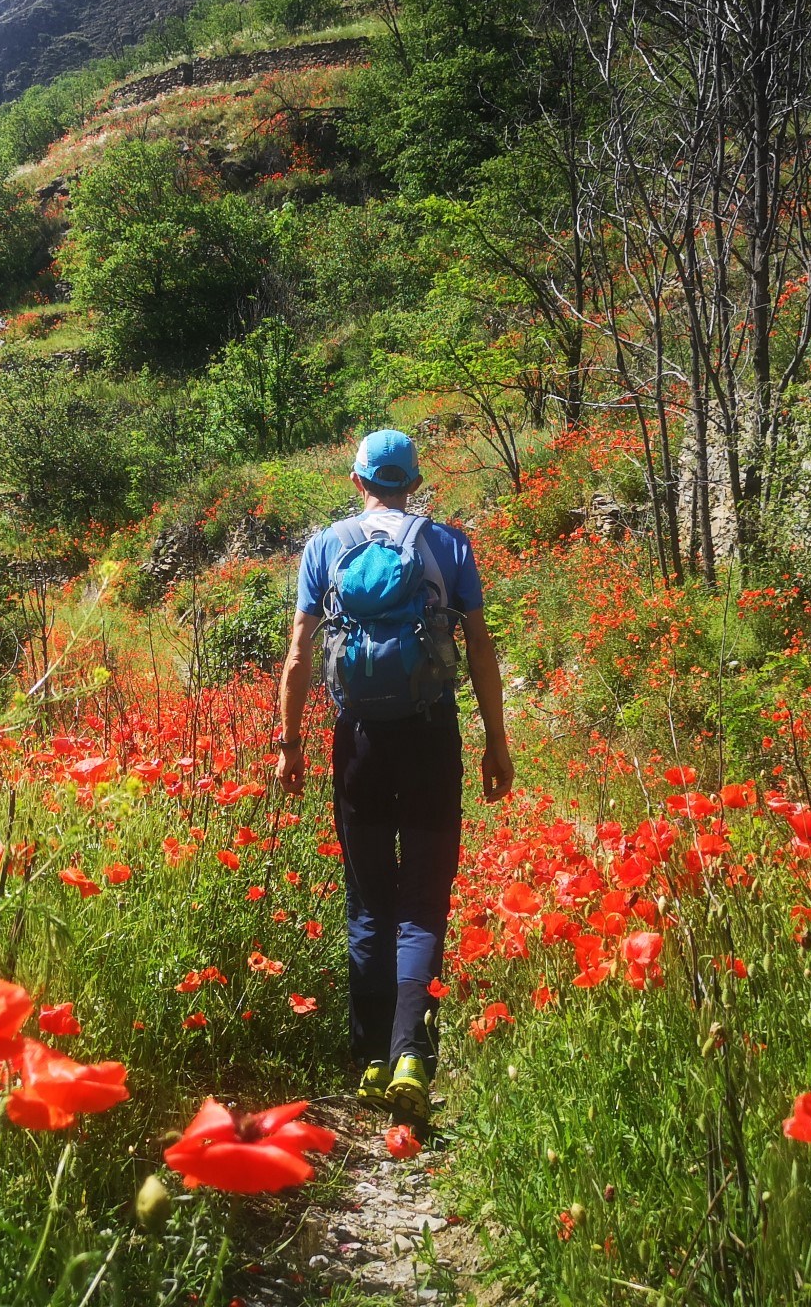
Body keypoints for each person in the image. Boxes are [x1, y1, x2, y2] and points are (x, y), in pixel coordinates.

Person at [274, 428, 513, 1126]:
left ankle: (371, 1058)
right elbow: (480, 648)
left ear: (357, 481)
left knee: (369, 900)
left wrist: (290, 744)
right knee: (423, 898)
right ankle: (413, 1054)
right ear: (413, 482)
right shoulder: (448, 546)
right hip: (431, 735)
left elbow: (298, 656)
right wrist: (496, 742)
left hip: (359, 742)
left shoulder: (325, 547)